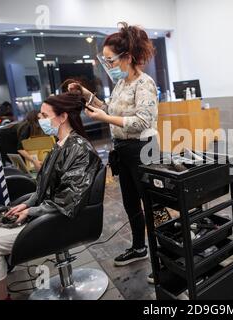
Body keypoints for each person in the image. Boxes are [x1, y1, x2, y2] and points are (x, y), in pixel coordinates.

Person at [0, 93, 101, 300]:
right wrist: (27, 205)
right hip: (48, 215)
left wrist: (31, 210)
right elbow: (43, 189)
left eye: (44, 115)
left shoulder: (79, 150)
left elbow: (68, 201)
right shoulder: (60, 145)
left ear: (63, 117)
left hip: (62, 221)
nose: (40, 120)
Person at [69, 22, 168, 274]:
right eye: (105, 61)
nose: (108, 66)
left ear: (128, 57)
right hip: (123, 151)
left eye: (110, 61)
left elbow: (142, 121)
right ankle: (139, 247)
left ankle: (165, 256)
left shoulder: (144, 84)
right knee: (131, 202)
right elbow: (109, 108)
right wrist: (85, 94)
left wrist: (105, 119)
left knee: (153, 204)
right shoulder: (121, 85)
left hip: (143, 148)